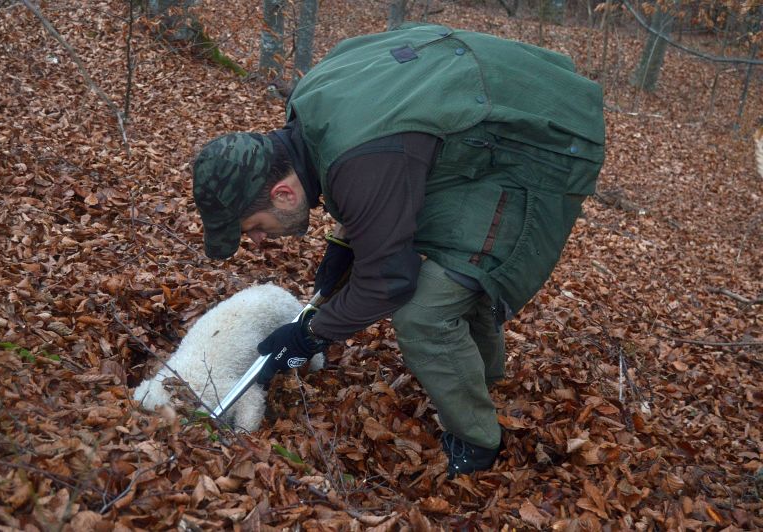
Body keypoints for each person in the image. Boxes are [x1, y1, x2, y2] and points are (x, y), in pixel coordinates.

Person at [191, 23, 605, 478]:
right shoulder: (308, 107)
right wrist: (343, 244)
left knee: (427, 310)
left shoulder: (361, 160)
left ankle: (478, 442)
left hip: (544, 140)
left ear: (284, 194)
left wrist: (311, 335)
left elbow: (389, 280)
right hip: (488, 116)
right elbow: (383, 163)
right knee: (443, 276)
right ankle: (483, 378)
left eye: (255, 227)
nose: (257, 240)